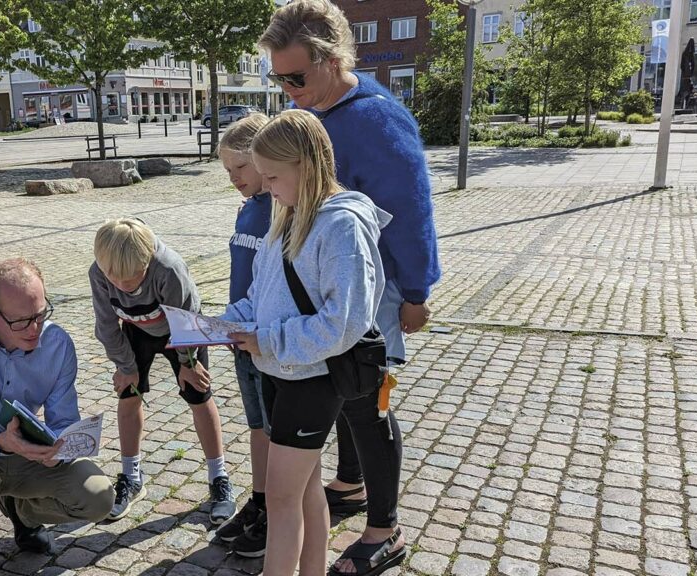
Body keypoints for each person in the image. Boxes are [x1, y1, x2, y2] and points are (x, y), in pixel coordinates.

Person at [260, 3, 441, 573]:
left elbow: (413, 212)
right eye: (277, 78)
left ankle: (384, 529)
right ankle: (351, 481)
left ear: (333, 60)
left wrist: (416, 291)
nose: (288, 91)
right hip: (316, 287)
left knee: (366, 404)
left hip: (368, 295)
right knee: (335, 393)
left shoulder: (377, 119)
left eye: (296, 78)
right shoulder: (315, 111)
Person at [222, 109, 396, 576]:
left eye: (273, 176)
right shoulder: (290, 213)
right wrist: (221, 324)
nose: (268, 187)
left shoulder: (342, 227)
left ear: (307, 165)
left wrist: (268, 340)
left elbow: (344, 323)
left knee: (280, 499)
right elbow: (262, 294)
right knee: (302, 492)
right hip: (280, 370)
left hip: (312, 379)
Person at [0, 258, 114, 576]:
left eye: (41, 315)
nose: (34, 330)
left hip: (30, 456)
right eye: (21, 322)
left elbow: (63, 419)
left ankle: (22, 512)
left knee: (99, 497)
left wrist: (59, 446)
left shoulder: (57, 344)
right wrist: (0, 441)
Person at [89, 219, 236, 524]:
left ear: (148, 260)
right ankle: (131, 476)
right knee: (128, 396)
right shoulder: (100, 273)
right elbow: (106, 325)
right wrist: (125, 367)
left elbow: (187, 314)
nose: (122, 285)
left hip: (180, 331)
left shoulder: (168, 268)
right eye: (113, 277)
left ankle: (219, 477)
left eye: (132, 278)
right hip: (136, 333)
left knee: (199, 395)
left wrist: (188, 361)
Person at [213, 113, 274, 558]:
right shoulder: (250, 206)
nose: (234, 178)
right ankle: (260, 501)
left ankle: (278, 512)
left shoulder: (282, 207)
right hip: (240, 334)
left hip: (267, 339)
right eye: (228, 170)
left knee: (275, 428)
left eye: (241, 167)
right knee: (256, 426)